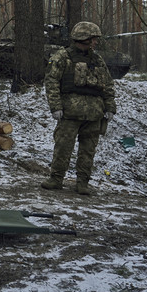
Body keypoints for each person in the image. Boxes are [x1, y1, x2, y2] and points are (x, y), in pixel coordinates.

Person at [41, 21, 116, 195]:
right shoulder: (62, 57)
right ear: (84, 38)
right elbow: (51, 81)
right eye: (93, 39)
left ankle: (83, 183)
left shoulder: (97, 59)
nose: (95, 42)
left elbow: (108, 84)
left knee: (88, 151)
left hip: (94, 114)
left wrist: (110, 107)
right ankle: (56, 179)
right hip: (69, 113)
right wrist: (55, 106)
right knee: (63, 147)